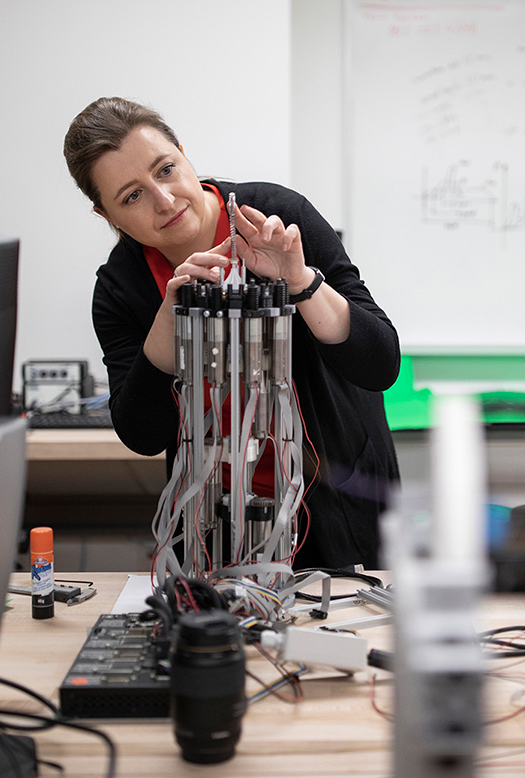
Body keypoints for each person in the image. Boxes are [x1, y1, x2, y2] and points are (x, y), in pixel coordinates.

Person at [63, 96, 401, 569]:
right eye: (132, 196)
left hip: (334, 501)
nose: (165, 200)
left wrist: (301, 282)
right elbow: (142, 434)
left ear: (184, 153)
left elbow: (380, 362)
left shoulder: (277, 214)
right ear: (107, 217)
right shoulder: (122, 288)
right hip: (213, 523)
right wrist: (167, 324)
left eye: (165, 169)